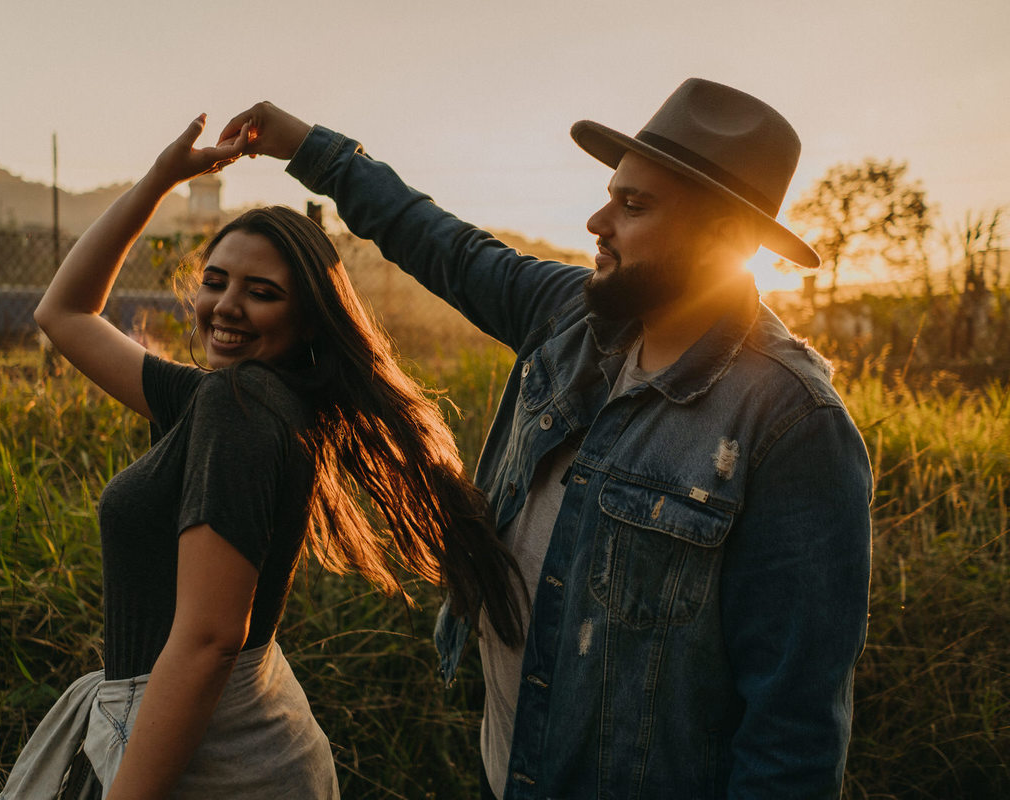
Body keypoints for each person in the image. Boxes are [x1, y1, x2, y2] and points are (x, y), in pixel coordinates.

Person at [216, 78, 874, 798]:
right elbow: (441, 242)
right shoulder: (569, 315)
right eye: (611, 196)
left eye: (634, 206)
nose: (598, 221)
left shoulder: (791, 423)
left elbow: (793, 733)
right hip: (509, 772)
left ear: (722, 237)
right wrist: (307, 147)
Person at [0, 114, 525, 799]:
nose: (226, 307)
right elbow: (65, 314)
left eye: (262, 292)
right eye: (215, 281)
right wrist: (162, 178)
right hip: (222, 729)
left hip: (200, 749)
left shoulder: (240, 405)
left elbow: (211, 639)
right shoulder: (226, 398)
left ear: (307, 320)